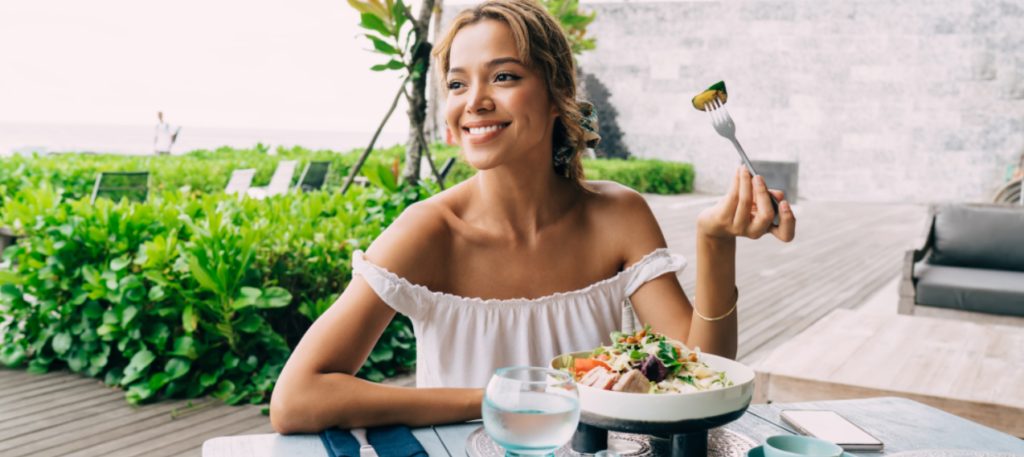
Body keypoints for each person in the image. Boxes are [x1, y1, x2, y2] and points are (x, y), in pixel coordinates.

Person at [271, 0, 795, 433]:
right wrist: (514, 398)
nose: (474, 101)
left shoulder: (618, 215)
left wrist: (715, 242)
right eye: (457, 84)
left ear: (555, 97)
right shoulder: (428, 232)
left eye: (503, 76)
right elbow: (297, 400)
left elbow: (702, 376)